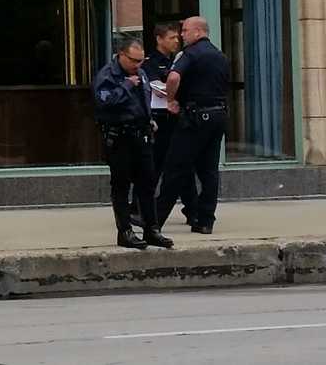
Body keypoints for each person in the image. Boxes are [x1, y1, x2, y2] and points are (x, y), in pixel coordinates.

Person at [93, 38, 174, 250]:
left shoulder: (141, 73)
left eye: (141, 60)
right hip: (120, 137)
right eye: (133, 60)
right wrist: (127, 85)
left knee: (147, 184)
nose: (138, 65)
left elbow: (143, 99)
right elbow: (105, 102)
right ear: (121, 54)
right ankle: (125, 231)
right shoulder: (108, 76)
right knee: (121, 186)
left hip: (142, 135)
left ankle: (152, 229)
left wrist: (149, 120)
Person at [156, 16, 231, 235]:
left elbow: (173, 78)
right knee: (209, 171)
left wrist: (170, 100)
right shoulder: (220, 56)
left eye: (186, 30)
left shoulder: (191, 54)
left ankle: (156, 220)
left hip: (195, 118)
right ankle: (205, 220)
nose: (182, 34)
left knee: (175, 168)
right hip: (218, 116)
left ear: (198, 32)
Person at [137, 22, 196, 226]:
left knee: (183, 165)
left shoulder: (180, 60)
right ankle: (142, 207)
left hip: (177, 117)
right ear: (159, 39)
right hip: (160, 117)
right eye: (171, 38)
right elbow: (158, 88)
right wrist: (178, 90)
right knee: (155, 165)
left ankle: (192, 209)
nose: (176, 41)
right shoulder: (150, 63)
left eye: (177, 37)